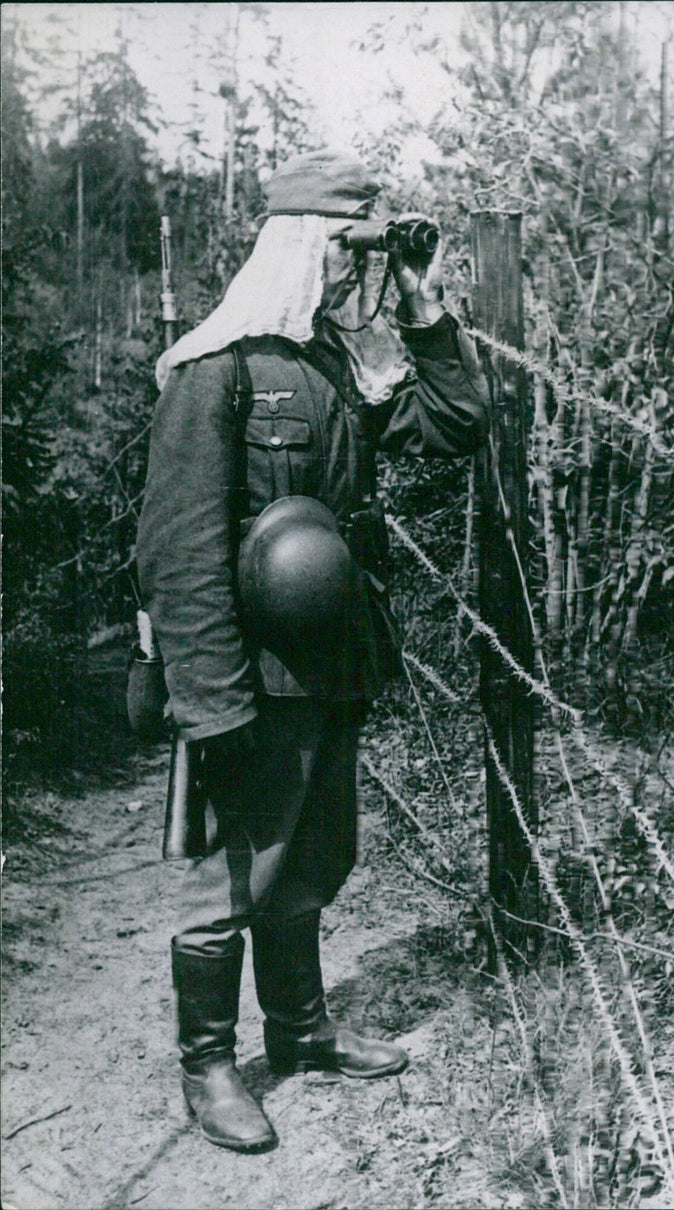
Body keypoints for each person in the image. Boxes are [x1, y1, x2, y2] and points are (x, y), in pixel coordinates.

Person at [136, 149, 489, 1154]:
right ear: (295, 246)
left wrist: (421, 308)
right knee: (230, 881)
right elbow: (181, 552)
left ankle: (299, 1032)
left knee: (315, 860)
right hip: (250, 678)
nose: (354, 269)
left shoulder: (342, 367)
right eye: (344, 249)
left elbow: (459, 423)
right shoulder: (220, 371)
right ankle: (208, 1062)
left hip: (334, 665)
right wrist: (212, 704)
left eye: (365, 251)